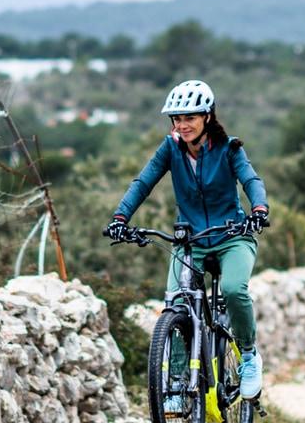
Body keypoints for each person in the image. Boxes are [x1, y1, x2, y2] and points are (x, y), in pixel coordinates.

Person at [107, 79, 270, 403]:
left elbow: (251, 179)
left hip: (232, 236)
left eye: (190, 118)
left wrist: (259, 209)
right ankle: (181, 384)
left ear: (208, 116)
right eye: (177, 119)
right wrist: (120, 217)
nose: (182, 125)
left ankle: (249, 357)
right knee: (178, 304)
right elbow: (143, 182)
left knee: (234, 290)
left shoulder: (230, 148)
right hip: (189, 241)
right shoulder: (170, 148)